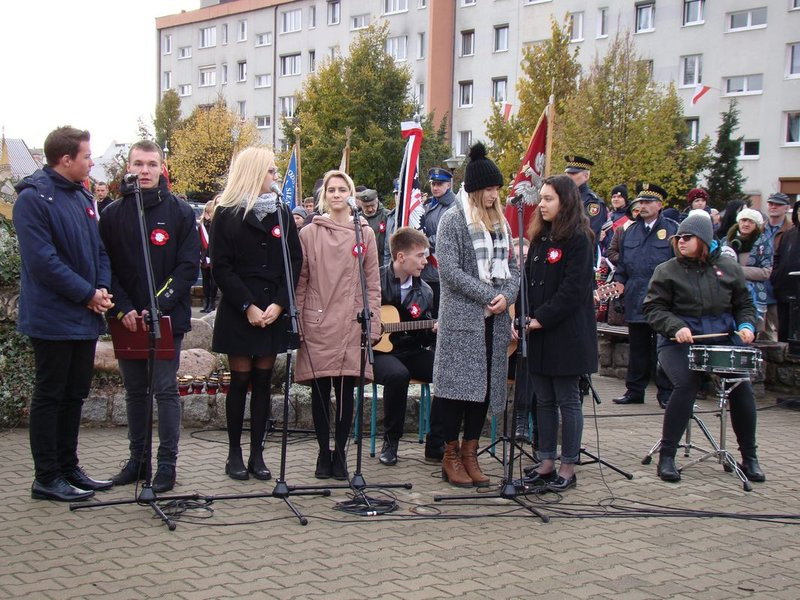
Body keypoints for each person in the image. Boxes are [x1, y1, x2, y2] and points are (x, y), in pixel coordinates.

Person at [13, 126, 114, 502]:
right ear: (65, 159)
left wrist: (101, 289)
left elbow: (99, 250)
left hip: (84, 316)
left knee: (75, 394)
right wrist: (87, 294)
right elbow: (43, 262)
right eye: (86, 156)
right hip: (52, 317)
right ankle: (47, 477)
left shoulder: (83, 196)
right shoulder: (34, 199)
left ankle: (70, 467)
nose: (91, 161)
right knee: (51, 394)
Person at [99, 140, 199, 493]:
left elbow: (188, 267)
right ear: (129, 166)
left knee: (165, 389)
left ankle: (167, 465)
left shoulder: (182, 213)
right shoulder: (112, 214)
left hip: (166, 318)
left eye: (151, 164)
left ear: (161, 168)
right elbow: (105, 267)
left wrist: (158, 306)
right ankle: (138, 460)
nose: (144, 171)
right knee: (135, 392)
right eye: (138, 164)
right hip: (125, 319)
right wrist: (123, 308)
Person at [643, 211, 765, 483]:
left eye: (688, 237)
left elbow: (744, 305)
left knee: (741, 385)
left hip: (721, 338)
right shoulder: (667, 270)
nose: (681, 242)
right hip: (678, 342)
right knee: (686, 383)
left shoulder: (729, 268)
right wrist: (675, 326)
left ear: (704, 239)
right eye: (678, 238)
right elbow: (653, 308)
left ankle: (750, 457)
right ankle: (668, 456)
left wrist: (747, 326)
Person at [210, 146, 302, 481]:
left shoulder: (281, 212)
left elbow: (294, 261)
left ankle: (258, 454)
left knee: (264, 382)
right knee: (241, 380)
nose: (276, 177)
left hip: (273, 308)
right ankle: (234, 452)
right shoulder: (227, 213)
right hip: (241, 308)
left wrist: (279, 304)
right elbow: (220, 266)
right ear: (254, 172)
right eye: (271, 171)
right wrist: (248, 305)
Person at [433, 142, 519, 487]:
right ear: (474, 189)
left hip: (493, 323)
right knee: (455, 392)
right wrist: (490, 294)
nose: (494, 195)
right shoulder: (453, 220)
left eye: (497, 189)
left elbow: (512, 268)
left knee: (482, 391)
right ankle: (450, 455)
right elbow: (450, 272)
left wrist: (507, 295)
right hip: (462, 321)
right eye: (488, 189)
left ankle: (471, 452)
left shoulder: (502, 224)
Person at [295, 169, 382, 480]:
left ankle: (342, 453)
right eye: (330, 189)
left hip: (351, 322)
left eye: (341, 189)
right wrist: (298, 322)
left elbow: (373, 282)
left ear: (350, 193)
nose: (335, 194)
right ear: (323, 195)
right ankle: (322, 451)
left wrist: (373, 323)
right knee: (320, 394)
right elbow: (301, 281)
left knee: (346, 394)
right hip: (317, 321)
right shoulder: (308, 233)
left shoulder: (365, 233)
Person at [518, 175, 597, 492]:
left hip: (566, 336)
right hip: (538, 333)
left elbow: (573, 290)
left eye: (549, 198)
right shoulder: (540, 238)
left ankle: (568, 465)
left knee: (567, 401)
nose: (542, 204)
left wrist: (540, 319)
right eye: (541, 198)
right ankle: (546, 460)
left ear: (565, 201)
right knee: (544, 401)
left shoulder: (579, 239)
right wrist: (522, 313)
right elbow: (527, 279)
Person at [373, 227, 436, 465]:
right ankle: (391, 441)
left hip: (410, 349)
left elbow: (424, 340)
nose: (425, 261)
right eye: (420, 255)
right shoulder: (374, 281)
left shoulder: (426, 291)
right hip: (378, 352)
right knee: (398, 375)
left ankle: (437, 442)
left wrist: (430, 331)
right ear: (401, 257)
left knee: (444, 370)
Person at [612, 184, 677, 408]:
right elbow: (622, 265)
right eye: (641, 202)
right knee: (637, 348)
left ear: (660, 205)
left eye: (649, 202)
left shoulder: (672, 230)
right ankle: (634, 391)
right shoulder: (630, 230)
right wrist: (619, 283)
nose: (643, 205)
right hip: (636, 295)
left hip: (662, 299)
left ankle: (666, 393)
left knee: (663, 349)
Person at [722, 207, 772, 333]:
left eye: (751, 221)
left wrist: (737, 270)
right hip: (727, 293)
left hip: (753, 293)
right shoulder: (726, 241)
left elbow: (766, 272)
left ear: (756, 225)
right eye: (744, 220)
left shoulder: (763, 242)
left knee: (749, 331)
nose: (746, 224)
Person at [761, 193, 793, 340]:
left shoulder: (792, 231)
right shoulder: (759, 229)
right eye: (771, 203)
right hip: (761, 284)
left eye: (778, 204)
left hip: (780, 285)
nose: (773, 207)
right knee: (761, 333)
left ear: (786, 208)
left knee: (782, 330)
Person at [771, 199, 800, 342]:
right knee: (784, 332)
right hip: (784, 290)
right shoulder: (789, 234)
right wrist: (776, 275)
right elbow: (777, 257)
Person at [564, 155, 607, 250]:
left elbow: (588, 234)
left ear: (586, 176)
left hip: (581, 255)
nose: (569, 177)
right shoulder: (564, 198)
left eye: (573, 173)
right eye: (567, 173)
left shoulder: (593, 203)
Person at [356, 187, 389, 267]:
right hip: (363, 263)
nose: (370, 209)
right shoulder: (356, 219)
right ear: (361, 205)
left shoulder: (387, 216)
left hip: (383, 263)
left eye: (372, 205)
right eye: (366, 207)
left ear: (377, 202)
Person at [199, 199, 218, 313]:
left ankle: (212, 303)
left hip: (213, 256)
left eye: (208, 212)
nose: (206, 214)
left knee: (213, 281)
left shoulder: (216, 224)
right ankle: (206, 303)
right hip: (203, 257)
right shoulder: (201, 225)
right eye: (205, 212)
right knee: (205, 281)